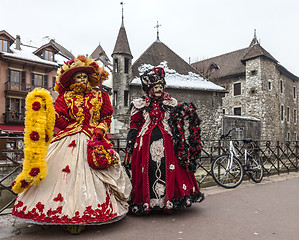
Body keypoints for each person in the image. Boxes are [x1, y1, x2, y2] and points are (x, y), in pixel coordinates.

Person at [11, 56, 132, 233]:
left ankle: (84, 215)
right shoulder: (64, 97)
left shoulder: (100, 95)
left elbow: (106, 118)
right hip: (68, 137)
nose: (82, 80)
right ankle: (60, 213)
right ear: (73, 80)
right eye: (78, 77)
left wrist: (100, 128)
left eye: (84, 76)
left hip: (91, 138)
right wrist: (49, 111)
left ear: (89, 79)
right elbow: (61, 121)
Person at [125, 66, 204, 215]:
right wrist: (130, 143)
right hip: (145, 143)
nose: (159, 89)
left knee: (169, 168)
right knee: (149, 169)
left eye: (161, 86)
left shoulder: (171, 103)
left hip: (168, 141)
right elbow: (134, 125)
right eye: (156, 87)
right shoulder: (140, 104)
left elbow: (178, 119)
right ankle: (148, 201)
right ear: (149, 88)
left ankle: (169, 200)